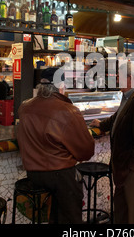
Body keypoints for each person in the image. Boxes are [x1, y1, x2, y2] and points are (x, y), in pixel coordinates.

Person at [17, 67, 95, 224]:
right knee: (70, 218)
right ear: (61, 86)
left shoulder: (24, 107)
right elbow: (86, 151)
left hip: (33, 175)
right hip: (61, 175)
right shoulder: (68, 111)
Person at [90, 61, 134, 224]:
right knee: (123, 209)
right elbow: (119, 117)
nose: (116, 80)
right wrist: (103, 125)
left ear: (129, 78)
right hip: (123, 167)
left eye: (118, 77)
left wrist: (132, 167)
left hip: (133, 168)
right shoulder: (129, 96)